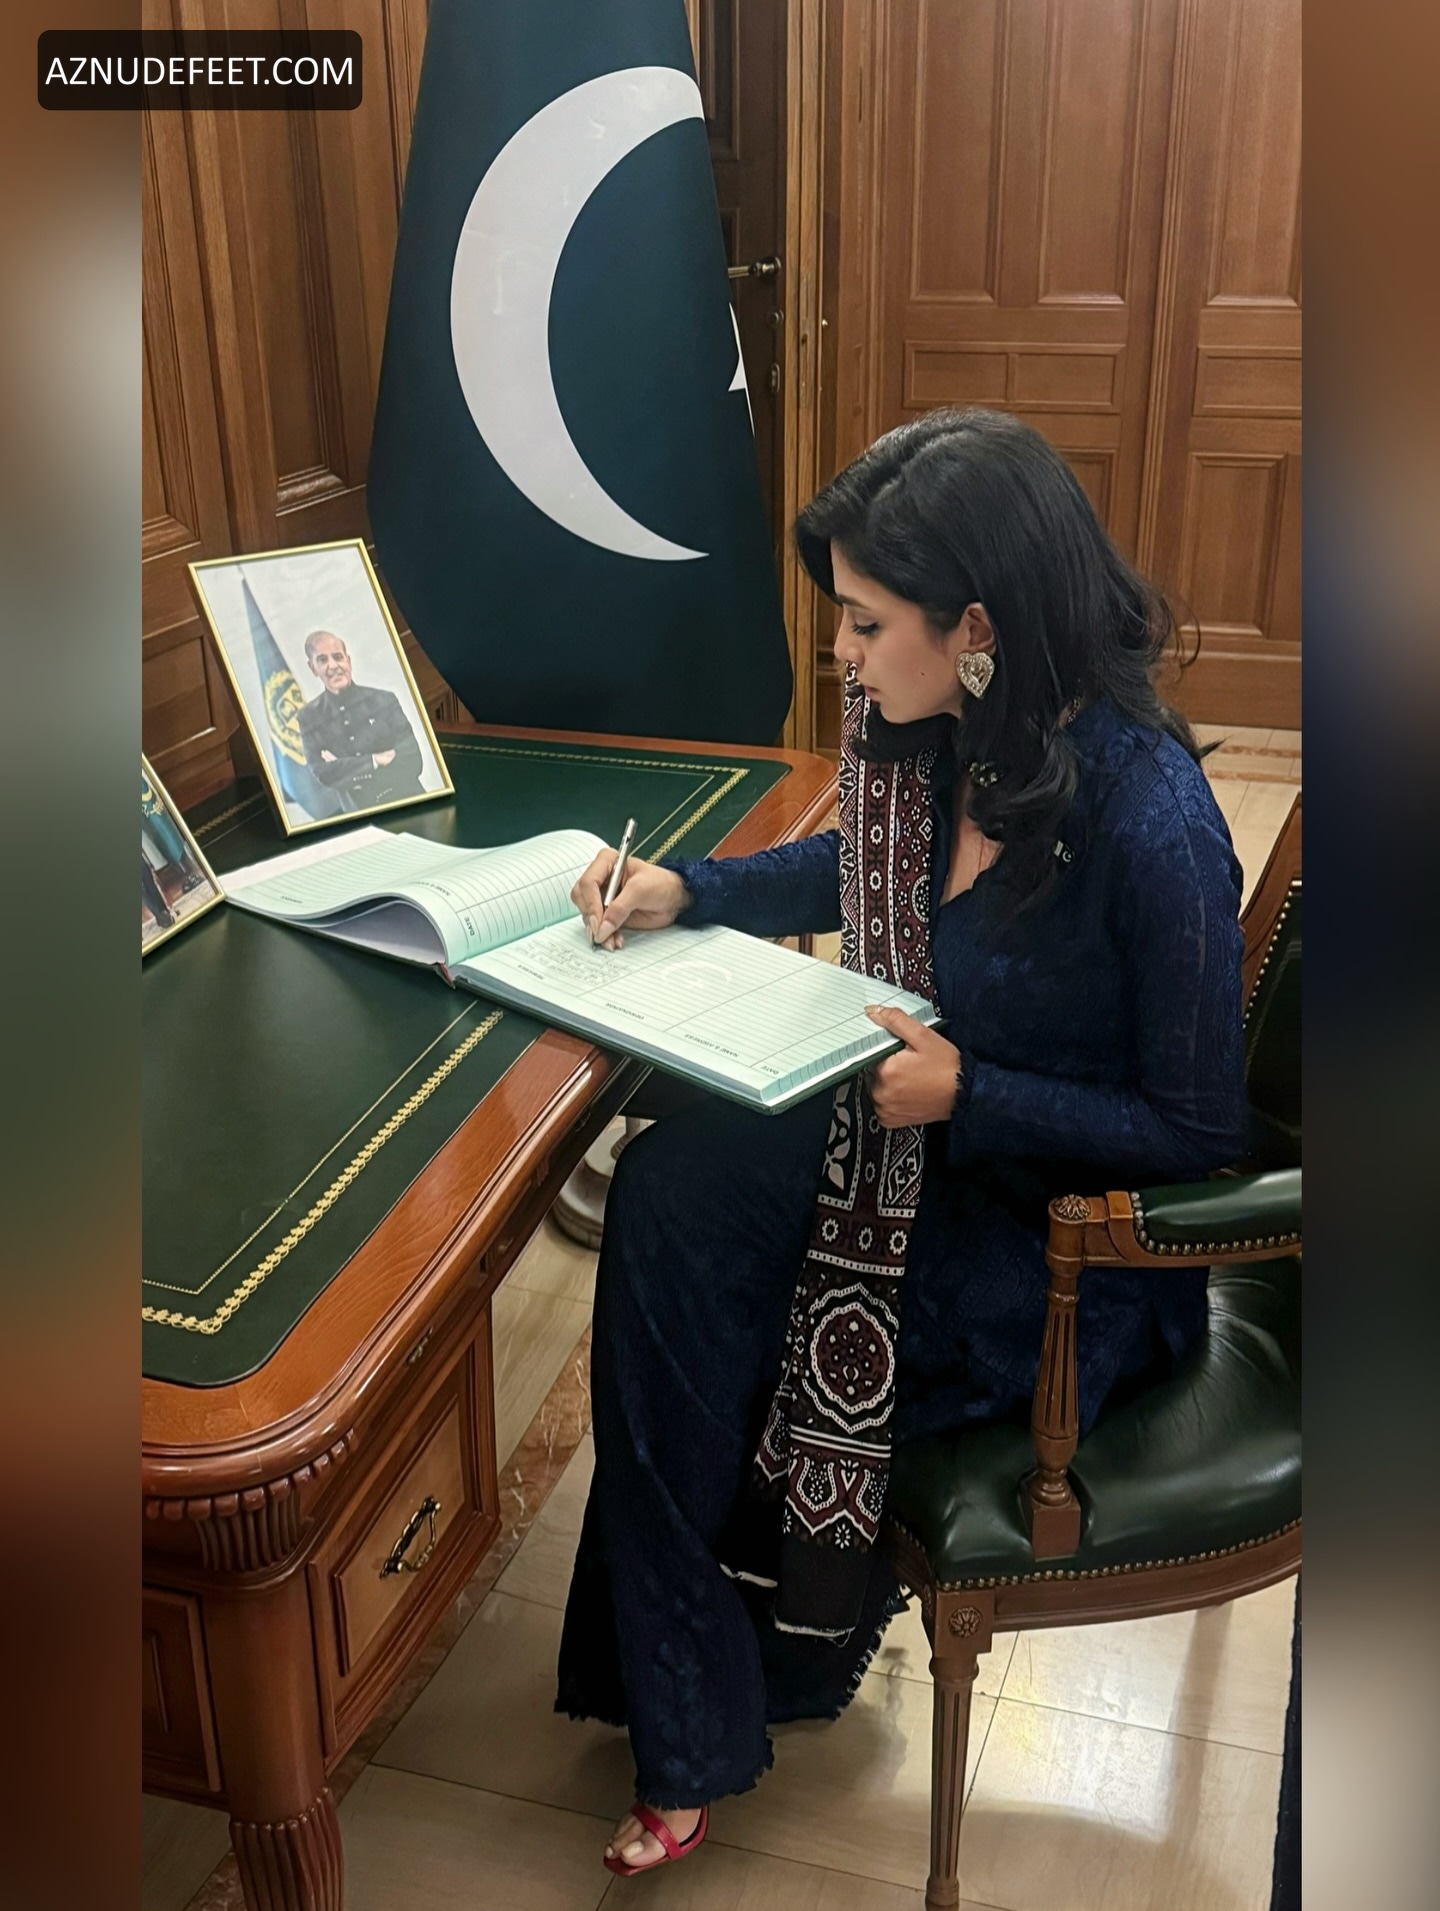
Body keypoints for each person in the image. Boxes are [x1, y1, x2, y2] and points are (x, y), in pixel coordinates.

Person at [555, 407, 1251, 1877]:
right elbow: (864, 863)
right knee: (672, 1194)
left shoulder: (1155, 820)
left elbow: (1198, 1131)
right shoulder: (956, 732)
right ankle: (683, 1696)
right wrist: (691, 887)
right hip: (917, 1139)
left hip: (1058, 1246)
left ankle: (780, 1647)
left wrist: (972, 1092)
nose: (846, 657)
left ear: (977, 625)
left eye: (868, 625)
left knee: (775, 1290)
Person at [296, 630, 424, 808]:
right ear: (313, 668)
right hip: (360, 815)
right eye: (322, 660)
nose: (333, 666)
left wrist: (346, 771)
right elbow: (323, 773)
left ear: (348, 661)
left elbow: (413, 761)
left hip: (411, 804)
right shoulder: (309, 717)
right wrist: (374, 761)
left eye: (338, 657)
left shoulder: (384, 700)